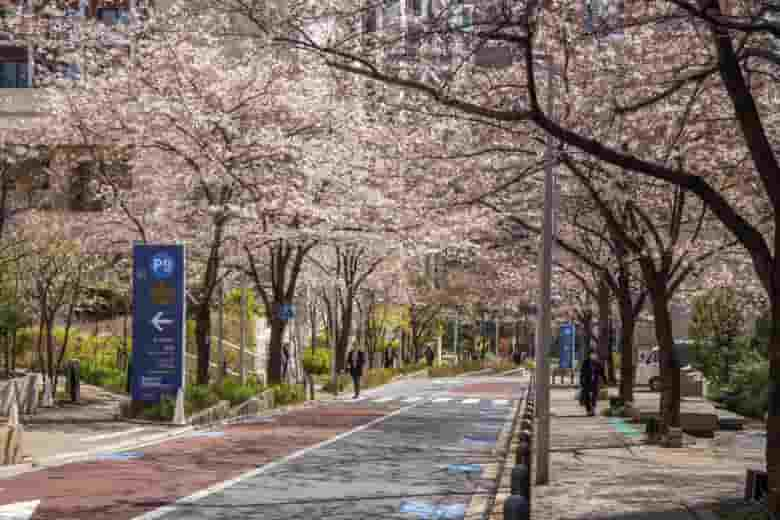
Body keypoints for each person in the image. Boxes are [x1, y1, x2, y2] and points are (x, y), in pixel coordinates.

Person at [579, 351, 607, 416]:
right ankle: (588, 410)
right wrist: (581, 381)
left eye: (594, 355)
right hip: (587, 381)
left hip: (595, 382)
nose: (593, 356)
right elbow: (582, 372)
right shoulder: (585, 362)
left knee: (594, 396)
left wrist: (605, 380)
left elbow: (602, 372)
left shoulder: (598, 363)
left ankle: (593, 409)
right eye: (592, 355)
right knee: (586, 396)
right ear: (589, 355)